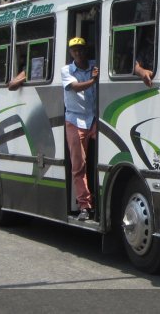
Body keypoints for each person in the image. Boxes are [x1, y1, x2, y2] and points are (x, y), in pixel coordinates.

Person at [61, 37, 98, 221]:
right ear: (70, 53)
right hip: (75, 121)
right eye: (74, 50)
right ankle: (84, 206)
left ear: (86, 50)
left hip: (94, 120)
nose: (78, 53)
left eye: (81, 49)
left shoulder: (95, 65)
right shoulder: (66, 71)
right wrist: (93, 80)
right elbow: (75, 87)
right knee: (79, 165)